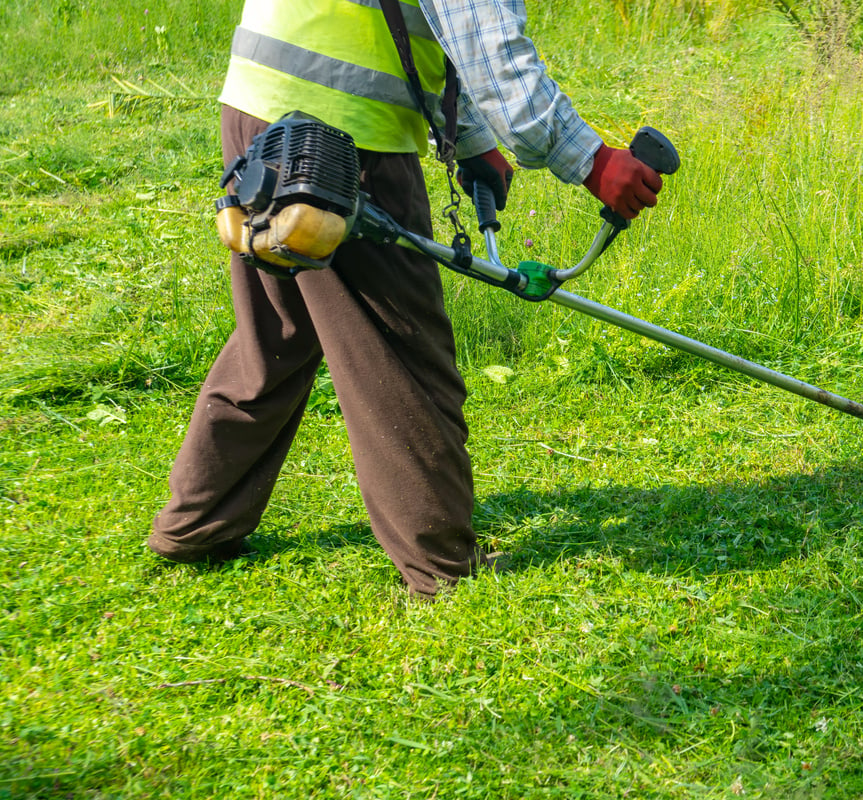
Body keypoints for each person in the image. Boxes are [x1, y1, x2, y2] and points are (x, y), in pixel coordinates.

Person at [145, 0, 665, 598]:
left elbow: (433, 26)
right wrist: (593, 160)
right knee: (400, 349)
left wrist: (467, 140)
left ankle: (196, 523)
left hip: (257, 110)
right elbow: (489, 51)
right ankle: (441, 564)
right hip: (342, 138)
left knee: (278, 331)